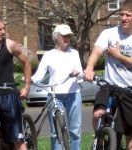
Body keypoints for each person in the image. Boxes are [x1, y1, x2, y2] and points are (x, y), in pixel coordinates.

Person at [83, 0, 132, 149]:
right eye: (121, 14)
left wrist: (118, 56)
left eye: (128, 15)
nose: (124, 18)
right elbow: (97, 51)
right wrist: (89, 68)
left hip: (129, 90)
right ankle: (100, 139)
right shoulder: (109, 33)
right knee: (98, 114)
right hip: (109, 86)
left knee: (130, 138)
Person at [0, 15, 31, 150]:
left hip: (8, 95)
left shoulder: (9, 45)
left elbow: (26, 63)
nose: (3, 31)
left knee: (17, 139)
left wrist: (27, 87)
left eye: (4, 28)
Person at [31, 24, 83, 150]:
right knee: (56, 133)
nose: (67, 39)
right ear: (56, 37)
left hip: (73, 93)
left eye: (69, 36)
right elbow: (39, 74)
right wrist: (30, 79)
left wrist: (78, 74)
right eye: (64, 36)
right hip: (54, 96)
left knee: (75, 131)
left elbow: (80, 74)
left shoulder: (74, 53)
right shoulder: (49, 55)